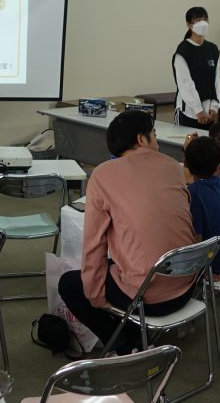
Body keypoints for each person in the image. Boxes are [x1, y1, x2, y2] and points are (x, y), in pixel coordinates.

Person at [58, 111, 198, 354]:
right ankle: (135, 334)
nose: (157, 142)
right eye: (154, 134)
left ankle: (124, 346)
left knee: (70, 284)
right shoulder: (173, 167)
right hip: (188, 285)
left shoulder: (102, 174)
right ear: (141, 139)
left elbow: (94, 243)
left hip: (148, 298)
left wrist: (95, 295)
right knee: (124, 263)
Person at [184, 136, 220, 279]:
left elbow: (197, 237)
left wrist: (201, 268)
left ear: (188, 166)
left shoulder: (194, 193)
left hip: (210, 263)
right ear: (217, 166)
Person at [172, 6, 220, 129]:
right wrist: (198, 110)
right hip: (188, 112)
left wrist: (214, 106)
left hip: (209, 112)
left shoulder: (213, 49)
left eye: (205, 19)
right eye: (198, 20)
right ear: (189, 25)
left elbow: (216, 80)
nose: (203, 23)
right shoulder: (183, 50)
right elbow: (185, 83)